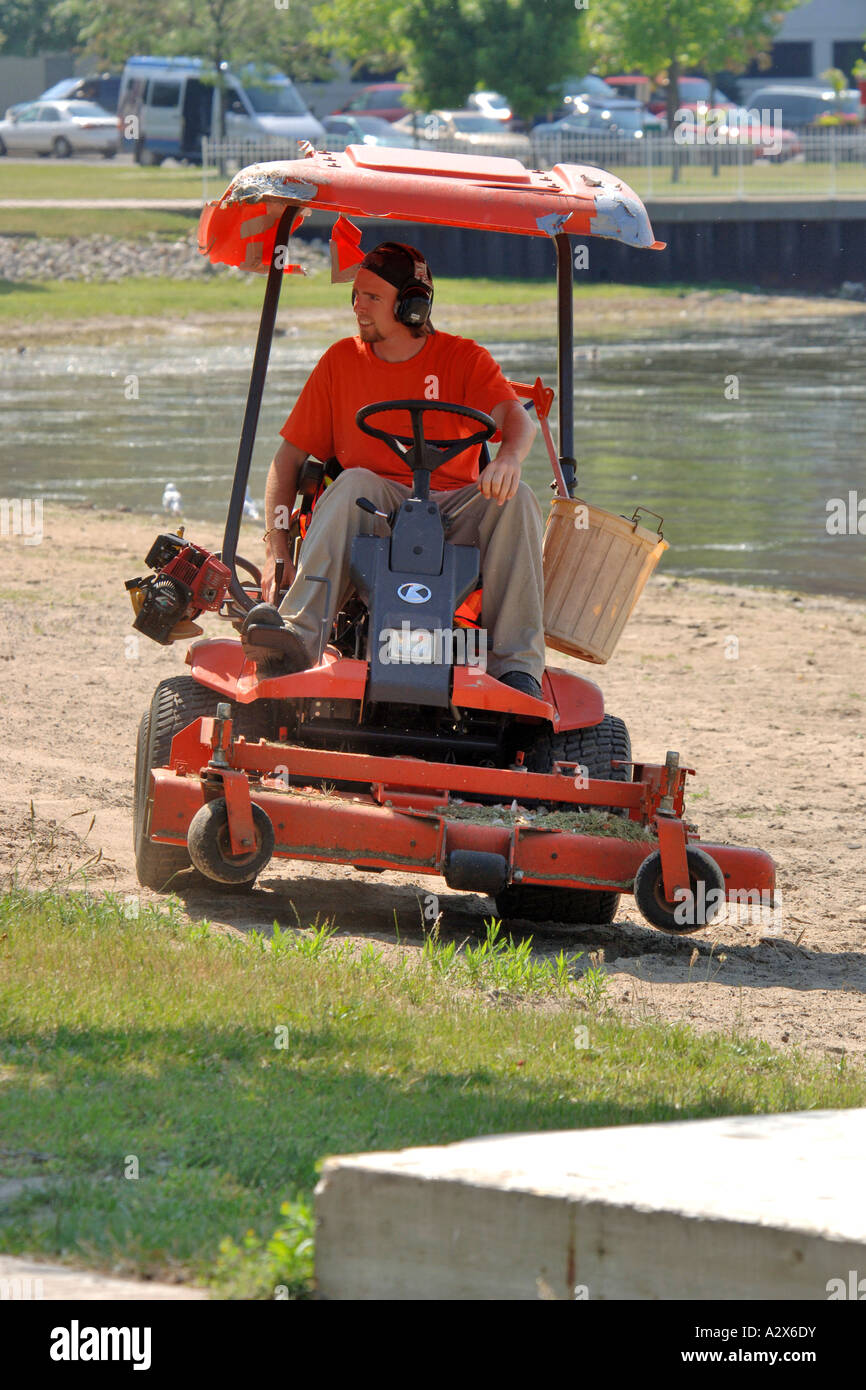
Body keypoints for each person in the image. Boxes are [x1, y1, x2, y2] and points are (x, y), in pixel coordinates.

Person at [243, 240, 546, 699]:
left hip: (452, 513)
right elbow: (286, 462)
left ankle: (517, 670)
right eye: (355, 295)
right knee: (353, 481)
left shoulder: (464, 359)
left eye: (372, 298)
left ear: (411, 307)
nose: (357, 308)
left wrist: (508, 459)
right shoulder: (339, 362)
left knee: (517, 498)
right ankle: (297, 639)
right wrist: (275, 549)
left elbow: (516, 420)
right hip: (375, 509)